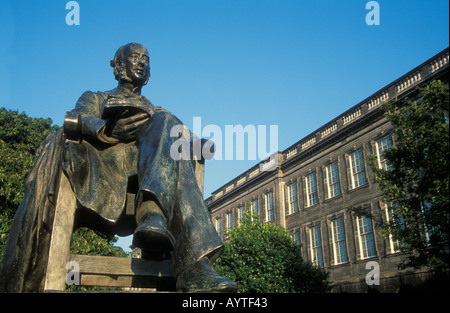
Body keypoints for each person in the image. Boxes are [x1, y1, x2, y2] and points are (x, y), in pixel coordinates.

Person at [0, 43, 236, 293]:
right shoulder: (96, 96)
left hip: (144, 178)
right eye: (134, 57)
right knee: (169, 132)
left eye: (146, 59)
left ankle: (159, 221)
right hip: (105, 169)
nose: (142, 63)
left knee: (168, 124)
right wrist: (107, 130)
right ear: (118, 67)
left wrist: (194, 142)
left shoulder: (158, 114)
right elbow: (74, 119)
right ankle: (193, 265)